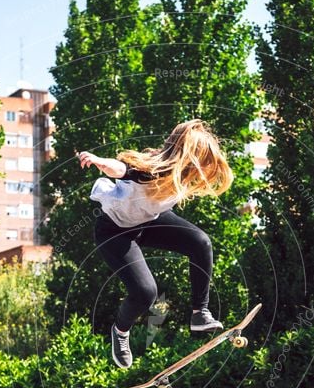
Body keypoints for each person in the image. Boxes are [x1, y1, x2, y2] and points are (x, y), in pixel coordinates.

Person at [78, 119, 234, 368]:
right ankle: (120, 332)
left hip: (150, 222)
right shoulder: (149, 169)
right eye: (199, 165)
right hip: (115, 231)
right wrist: (99, 161)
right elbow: (120, 169)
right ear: (187, 157)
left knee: (201, 242)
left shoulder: (180, 176)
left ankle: (199, 314)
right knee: (145, 293)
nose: (198, 174)